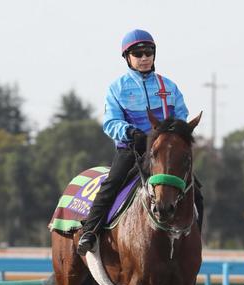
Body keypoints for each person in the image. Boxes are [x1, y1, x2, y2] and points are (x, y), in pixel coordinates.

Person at [77, 29, 203, 255]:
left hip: (164, 151)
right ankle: (90, 231)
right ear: (127, 57)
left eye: (148, 52)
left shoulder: (169, 87)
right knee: (111, 184)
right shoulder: (117, 88)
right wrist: (130, 132)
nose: (144, 58)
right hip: (132, 149)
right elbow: (110, 122)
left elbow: (181, 117)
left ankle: (195, 238)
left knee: (197, 191)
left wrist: (172, 135)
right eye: (138, 54)